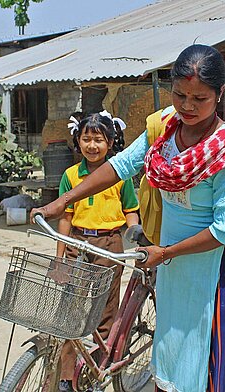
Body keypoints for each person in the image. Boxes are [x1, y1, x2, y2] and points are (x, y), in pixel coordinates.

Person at [32, 44, 225, 392]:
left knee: (208, 361)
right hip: (171, 265)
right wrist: (63, 201)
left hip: (212, 272)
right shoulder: (163, 129)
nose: (188, 106)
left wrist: (166, 253)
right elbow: (121, 165)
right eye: (180, 95)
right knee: (170, 351)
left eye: (200, 98)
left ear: (219, 94)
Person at [55, 111, 139, 392]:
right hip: (77, 244)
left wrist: (135, 232)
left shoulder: (120, 175)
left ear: (111, 142)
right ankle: (67, 377)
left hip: (109, 244)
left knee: (106, 309)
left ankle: (96, 371)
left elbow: (130, 210)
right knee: (70, 311)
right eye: (86, 139)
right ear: (77, 141)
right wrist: (60, 259)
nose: (92, 146)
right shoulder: (70, 175)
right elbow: (65, 217)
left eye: (99, 140)